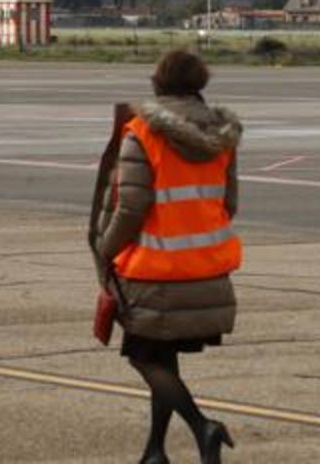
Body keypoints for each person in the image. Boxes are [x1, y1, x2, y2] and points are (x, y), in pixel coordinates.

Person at [94, 49, 243, 464]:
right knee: (165, 359)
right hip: (207, 269)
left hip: (155, 272)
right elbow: (228, 203)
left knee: (142, 357)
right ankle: (155, 451)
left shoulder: (142, 132)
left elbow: (130, 207)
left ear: (158, 83)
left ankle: (203, 427)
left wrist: (105, 249)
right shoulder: (224, 136)